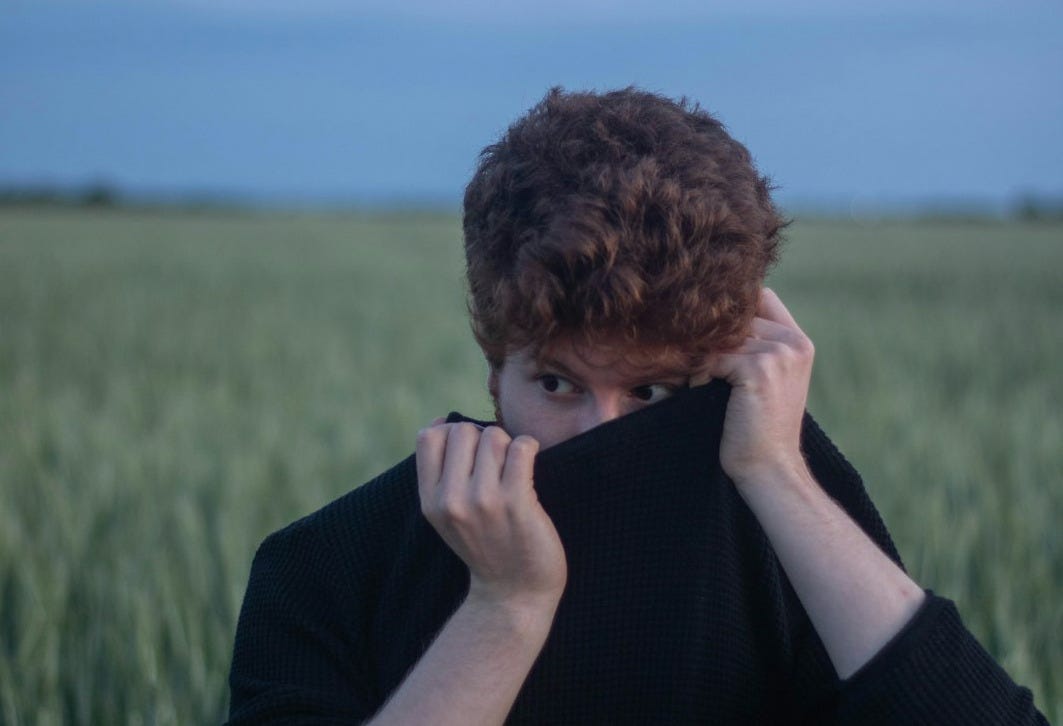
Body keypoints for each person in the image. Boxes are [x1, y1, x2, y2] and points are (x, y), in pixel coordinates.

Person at [227, 88, 1047, 724]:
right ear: (492, 364)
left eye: (651, 392)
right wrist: (505, 608)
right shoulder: (328, 565)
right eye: (557, 385)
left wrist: (777, 472)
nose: (602, 433)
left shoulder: (776, 532)